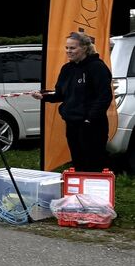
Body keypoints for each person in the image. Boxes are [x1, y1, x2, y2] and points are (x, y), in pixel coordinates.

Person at [31, 31, 112, 172]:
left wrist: (89, 119)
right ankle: (80, 193)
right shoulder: (67, 69)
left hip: (92, 126)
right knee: (78, 162)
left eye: (72, 48)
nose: (68, 51)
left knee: (93, 164)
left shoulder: (97, 67)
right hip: (72, 123)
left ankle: (95, 192)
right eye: (67, 48)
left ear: (84, 48)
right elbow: (61, 94)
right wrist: (44, 96)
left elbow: (104, 97)